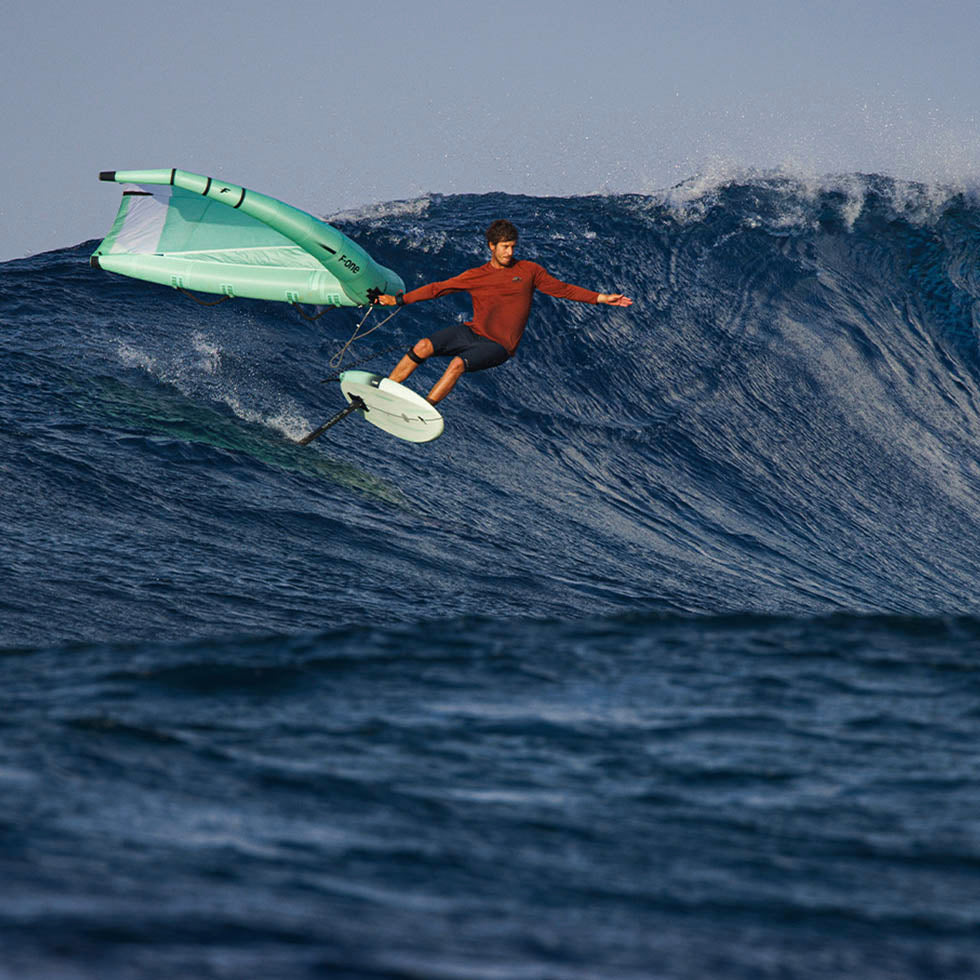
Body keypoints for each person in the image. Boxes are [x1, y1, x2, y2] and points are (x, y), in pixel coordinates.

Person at [373, 219, 632, 404]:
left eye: (513, 246)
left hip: (499, 345)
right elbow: (438, 289)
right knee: (422, 346)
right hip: (474, 332)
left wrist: (600, 298)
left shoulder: (529, 271)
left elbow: (562, 289)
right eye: (505, 246)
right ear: (491, 246)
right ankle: (385, 391)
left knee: (457, 364)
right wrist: (399, 300)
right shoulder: (477, 275)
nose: (510, 252)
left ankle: (425, 409)